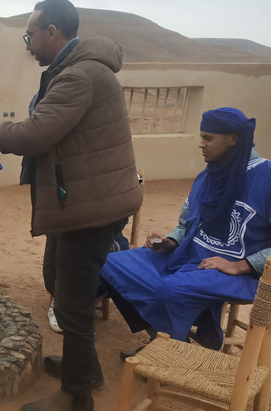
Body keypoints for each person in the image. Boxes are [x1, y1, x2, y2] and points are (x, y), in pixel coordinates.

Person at [0, 0, 142, 411]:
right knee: (64, 286)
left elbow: (39, 131)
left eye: (31, 34)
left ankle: (77, 398)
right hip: (87, 200)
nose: (28, 43)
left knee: (72, 300)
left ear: (53, 32)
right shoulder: (79, 70)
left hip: (92, 206)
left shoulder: (78, 75)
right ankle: (86, 368)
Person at [101, 107, 271, 352]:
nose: (201, 144)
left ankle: (167, 350)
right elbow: (186, 224)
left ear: (234, 139)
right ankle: (166, 341)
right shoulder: (207, 176)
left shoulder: (266, 177)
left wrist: (240, 265)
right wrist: (170, 241)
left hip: (240, 272)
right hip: (189, 256)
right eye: (201, 137)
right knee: (111, 264)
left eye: (208, 138)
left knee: (170, 290)